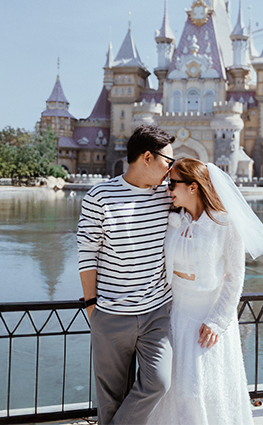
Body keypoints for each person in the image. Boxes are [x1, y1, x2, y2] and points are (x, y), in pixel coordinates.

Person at [148, 158, 263, 425]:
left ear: (193, 186)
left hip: (206, 316)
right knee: (173, 388)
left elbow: (235, 279)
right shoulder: (172, 220)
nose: (168, 189)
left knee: (199, 390)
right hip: (174, 312)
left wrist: (217, 321)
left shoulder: (226, 224)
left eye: (173, 184)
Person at [77, 125, 176, 425]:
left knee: (159, 382)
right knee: (111, 399)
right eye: (168, 161)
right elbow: (87, 254)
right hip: (111, 314)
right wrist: (92, 306)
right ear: (147, 157)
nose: (170, 169)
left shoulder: (167, 196)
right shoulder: (99, 196)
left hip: (156, 312)